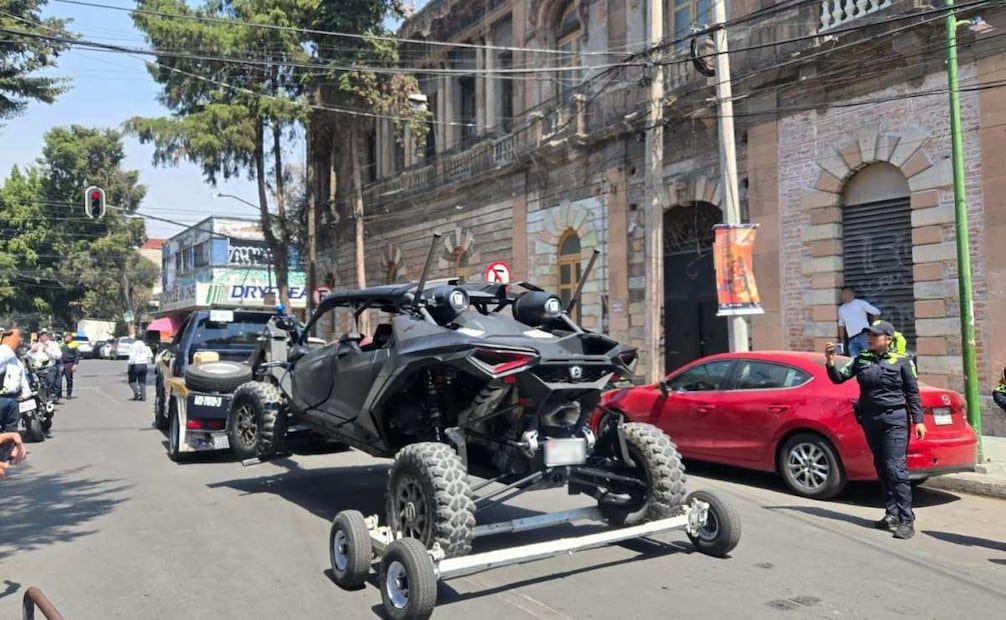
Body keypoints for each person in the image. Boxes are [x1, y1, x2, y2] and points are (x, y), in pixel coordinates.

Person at [825, 321, 926, 540]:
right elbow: (838, 378)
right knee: (881, 466)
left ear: (888, 339)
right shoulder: (861, 359)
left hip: (895, 419)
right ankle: (891, 514)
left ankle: (906, 519)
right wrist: (830, 362)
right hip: (871, 419)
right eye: (869, 334)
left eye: (876, 335)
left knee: (896, 468)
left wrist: (918, 420)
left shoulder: (902, 361)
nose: (870, 338)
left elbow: (913, 393)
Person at [0, 328, 31, 433]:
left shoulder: (17, 362)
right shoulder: (4, 353)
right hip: (1, 398)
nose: (20, 341)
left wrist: (25, 394)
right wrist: (10, 341)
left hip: (13, 399)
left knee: (11, 429)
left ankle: (8, 448)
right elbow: (5, 353)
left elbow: (23, 380)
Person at [838, 286, 881, 358]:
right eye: (843, 294)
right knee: (854, 360)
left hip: (864, 335)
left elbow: (877, 312)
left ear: (852, 294)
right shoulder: (842, 308)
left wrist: (874, 328)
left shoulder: (860, 303)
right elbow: (841, 325)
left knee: (869, 357)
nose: (844, 295)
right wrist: (842, 340)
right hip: (851, 338)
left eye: (846, 293)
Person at [40, 331, 63, 401]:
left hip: (50, 368)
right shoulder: (38, 344)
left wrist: (47, 350)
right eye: (40, 336)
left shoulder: (53, 344)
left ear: (47, 336)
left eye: (43, 336)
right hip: (38, 368)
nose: (41, 337)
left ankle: (50, 399)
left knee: (50, 385)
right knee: (41, 386)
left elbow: (58, 356)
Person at [59, 332, 81, 399]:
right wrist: (60, 364)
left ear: (71, 338)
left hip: (69, 363)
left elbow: (77, 355)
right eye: (66, 337)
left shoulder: (73, 345)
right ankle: (58, 394)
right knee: (58, 380)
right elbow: (58, 355)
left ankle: (69, 394)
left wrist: (75, 364)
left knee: (69, 379)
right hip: (61, 363)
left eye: (69, 337)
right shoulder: (61, 344)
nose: (67, 338)